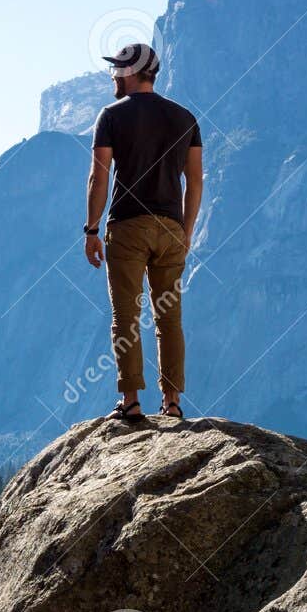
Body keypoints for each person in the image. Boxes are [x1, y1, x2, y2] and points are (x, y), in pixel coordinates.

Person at [82, 42, 203, 421]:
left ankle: (131, 402)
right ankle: (172, 404)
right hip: (170, 230)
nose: (113, 75)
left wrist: (91, 229)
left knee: (126, 317)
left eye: (117, 69)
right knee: (169, 318)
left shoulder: (111, 116)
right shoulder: (185, 118)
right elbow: (195, 181)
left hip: (128, 227)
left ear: (132, 73)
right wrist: (186, 231)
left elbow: (98, 177)